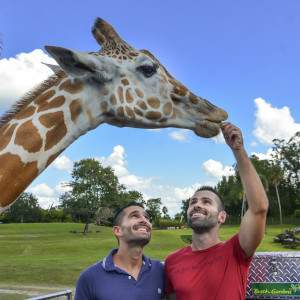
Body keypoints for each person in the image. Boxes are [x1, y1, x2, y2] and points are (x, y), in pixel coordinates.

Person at [165, 122, 269, 300]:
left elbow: (259, 208)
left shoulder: (236, 250)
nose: (197, 205)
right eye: (193, 202)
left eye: (207, 202)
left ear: (222, 216)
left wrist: (238, 150)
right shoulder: (172, 261)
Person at [75, 202, 164, 300]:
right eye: (135, 216)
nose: (144, 220)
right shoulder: (90, 277)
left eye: (147, 218)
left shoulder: (161, 270)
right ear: (118, 231)